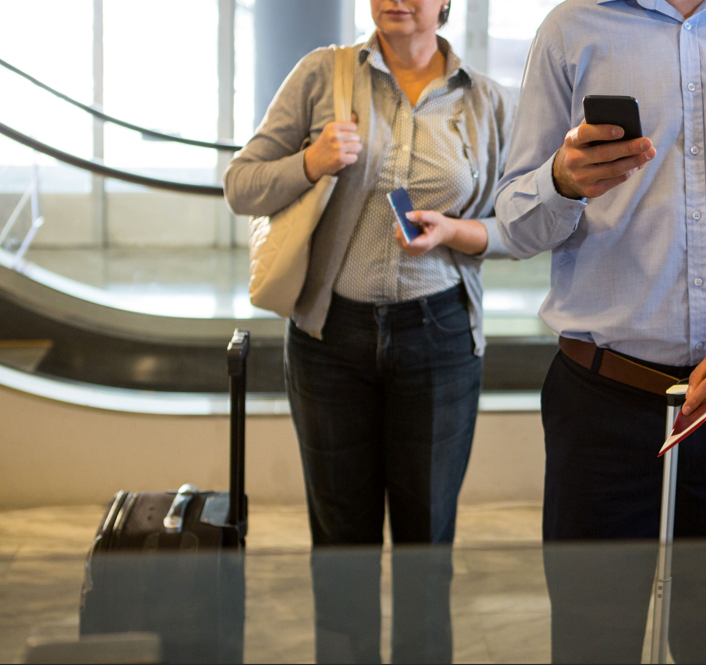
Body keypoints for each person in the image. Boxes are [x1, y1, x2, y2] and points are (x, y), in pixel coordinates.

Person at [493, 0, 706, 660]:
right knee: (592, 640)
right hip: (600, 402)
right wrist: (562, 181)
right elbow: (513, 220)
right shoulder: (571, 29)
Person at [222, 0, 514, 661]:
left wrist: (460, 231)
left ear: (444, 3)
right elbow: (241, 185)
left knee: (426, 548)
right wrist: (311, 162)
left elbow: (520, 223)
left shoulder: (487, 103)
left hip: (439, 339)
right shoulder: (322, 75)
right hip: (331, 342)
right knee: (340, 548)